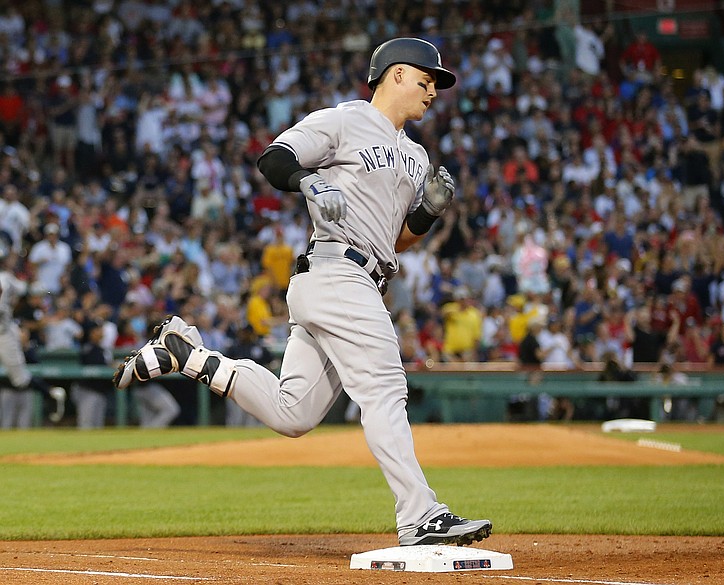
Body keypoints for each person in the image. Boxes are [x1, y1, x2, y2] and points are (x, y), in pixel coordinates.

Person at [113, 38, 492, 547]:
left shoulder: (416, 155)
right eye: (426, 79)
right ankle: (420, 516)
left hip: (354, 280)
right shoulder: (344, 120)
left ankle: (189, 356)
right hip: (337, 272)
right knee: (384, 388)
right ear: (395, 74)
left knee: (295, 413)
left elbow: (396, 238)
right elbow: (275, 158)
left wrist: (426, 213)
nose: (433, 90)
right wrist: (306, 182)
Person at [0, 249, 65, 428]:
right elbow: (26, 289)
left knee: (20, 380)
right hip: (7, 328)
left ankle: (51, 393)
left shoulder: (6, 279)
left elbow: (28, 290)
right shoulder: (9, 279)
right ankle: (50, 392)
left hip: (3, 333)